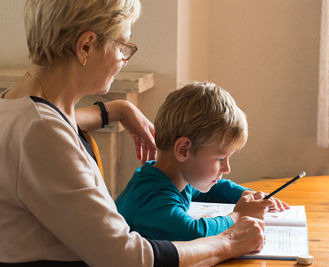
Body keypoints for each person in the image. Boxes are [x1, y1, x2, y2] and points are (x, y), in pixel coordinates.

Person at [0, 1, 266, 266]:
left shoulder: (15, 106)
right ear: (86, 46)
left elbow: (59, 123)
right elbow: (127, 258)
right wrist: (228, 241)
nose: (123, 59)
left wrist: (119, 109)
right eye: (122, 45)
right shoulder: (42, 133)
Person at [116, 82, 289, 241]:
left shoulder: (174, 178)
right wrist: (238, 215)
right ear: (184, 150)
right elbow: (194, 232)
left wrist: (248, 196)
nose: (227, 168)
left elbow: (214, 189)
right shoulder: (153, 198)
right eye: (220, 159)